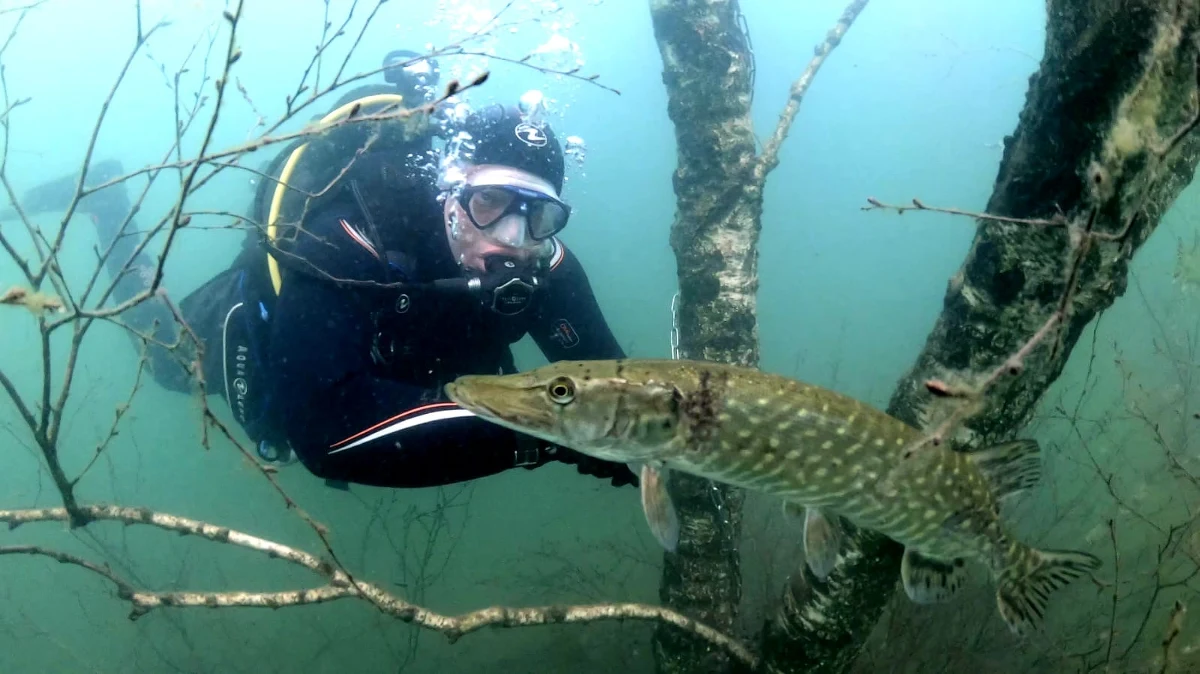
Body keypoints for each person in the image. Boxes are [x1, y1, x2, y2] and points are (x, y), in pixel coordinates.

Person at [11, 51, 638, 491]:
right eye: (490, 203)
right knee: (161, 353)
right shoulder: (346, 239)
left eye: (539, 215)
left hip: (414, 388)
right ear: (451, 191)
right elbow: (324, 433)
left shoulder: (543, 262)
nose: (511, 237)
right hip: (275, 343)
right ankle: (105, 203)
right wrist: (544, 434)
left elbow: (621, 392)